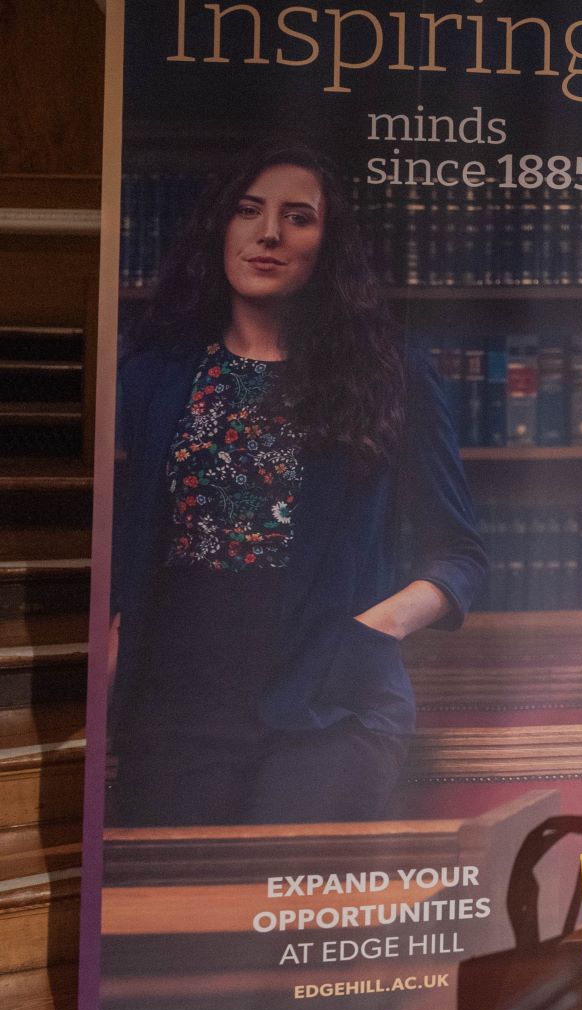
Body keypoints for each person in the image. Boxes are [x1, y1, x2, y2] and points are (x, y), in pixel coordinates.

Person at [108, 142, 485, 826]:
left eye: (298, 217)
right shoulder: (151, 370)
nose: (269, 233)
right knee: (172, 914)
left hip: (330, 700)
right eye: (248, 210)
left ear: (329, 244)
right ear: (219, 227)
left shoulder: (390, 374)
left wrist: (375, 629)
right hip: (177, 700)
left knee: (283, 908)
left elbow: (460, 557)